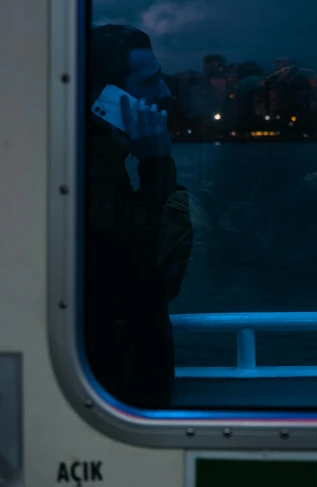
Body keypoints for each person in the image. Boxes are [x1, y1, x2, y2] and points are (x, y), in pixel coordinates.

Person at [85, 24, 192, 409]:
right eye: (151, 80)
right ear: (107, 97)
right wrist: (157, 164)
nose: (164, 92)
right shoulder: (89, 177)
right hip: (119, 391)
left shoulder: (100, 164)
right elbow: (151, 276)